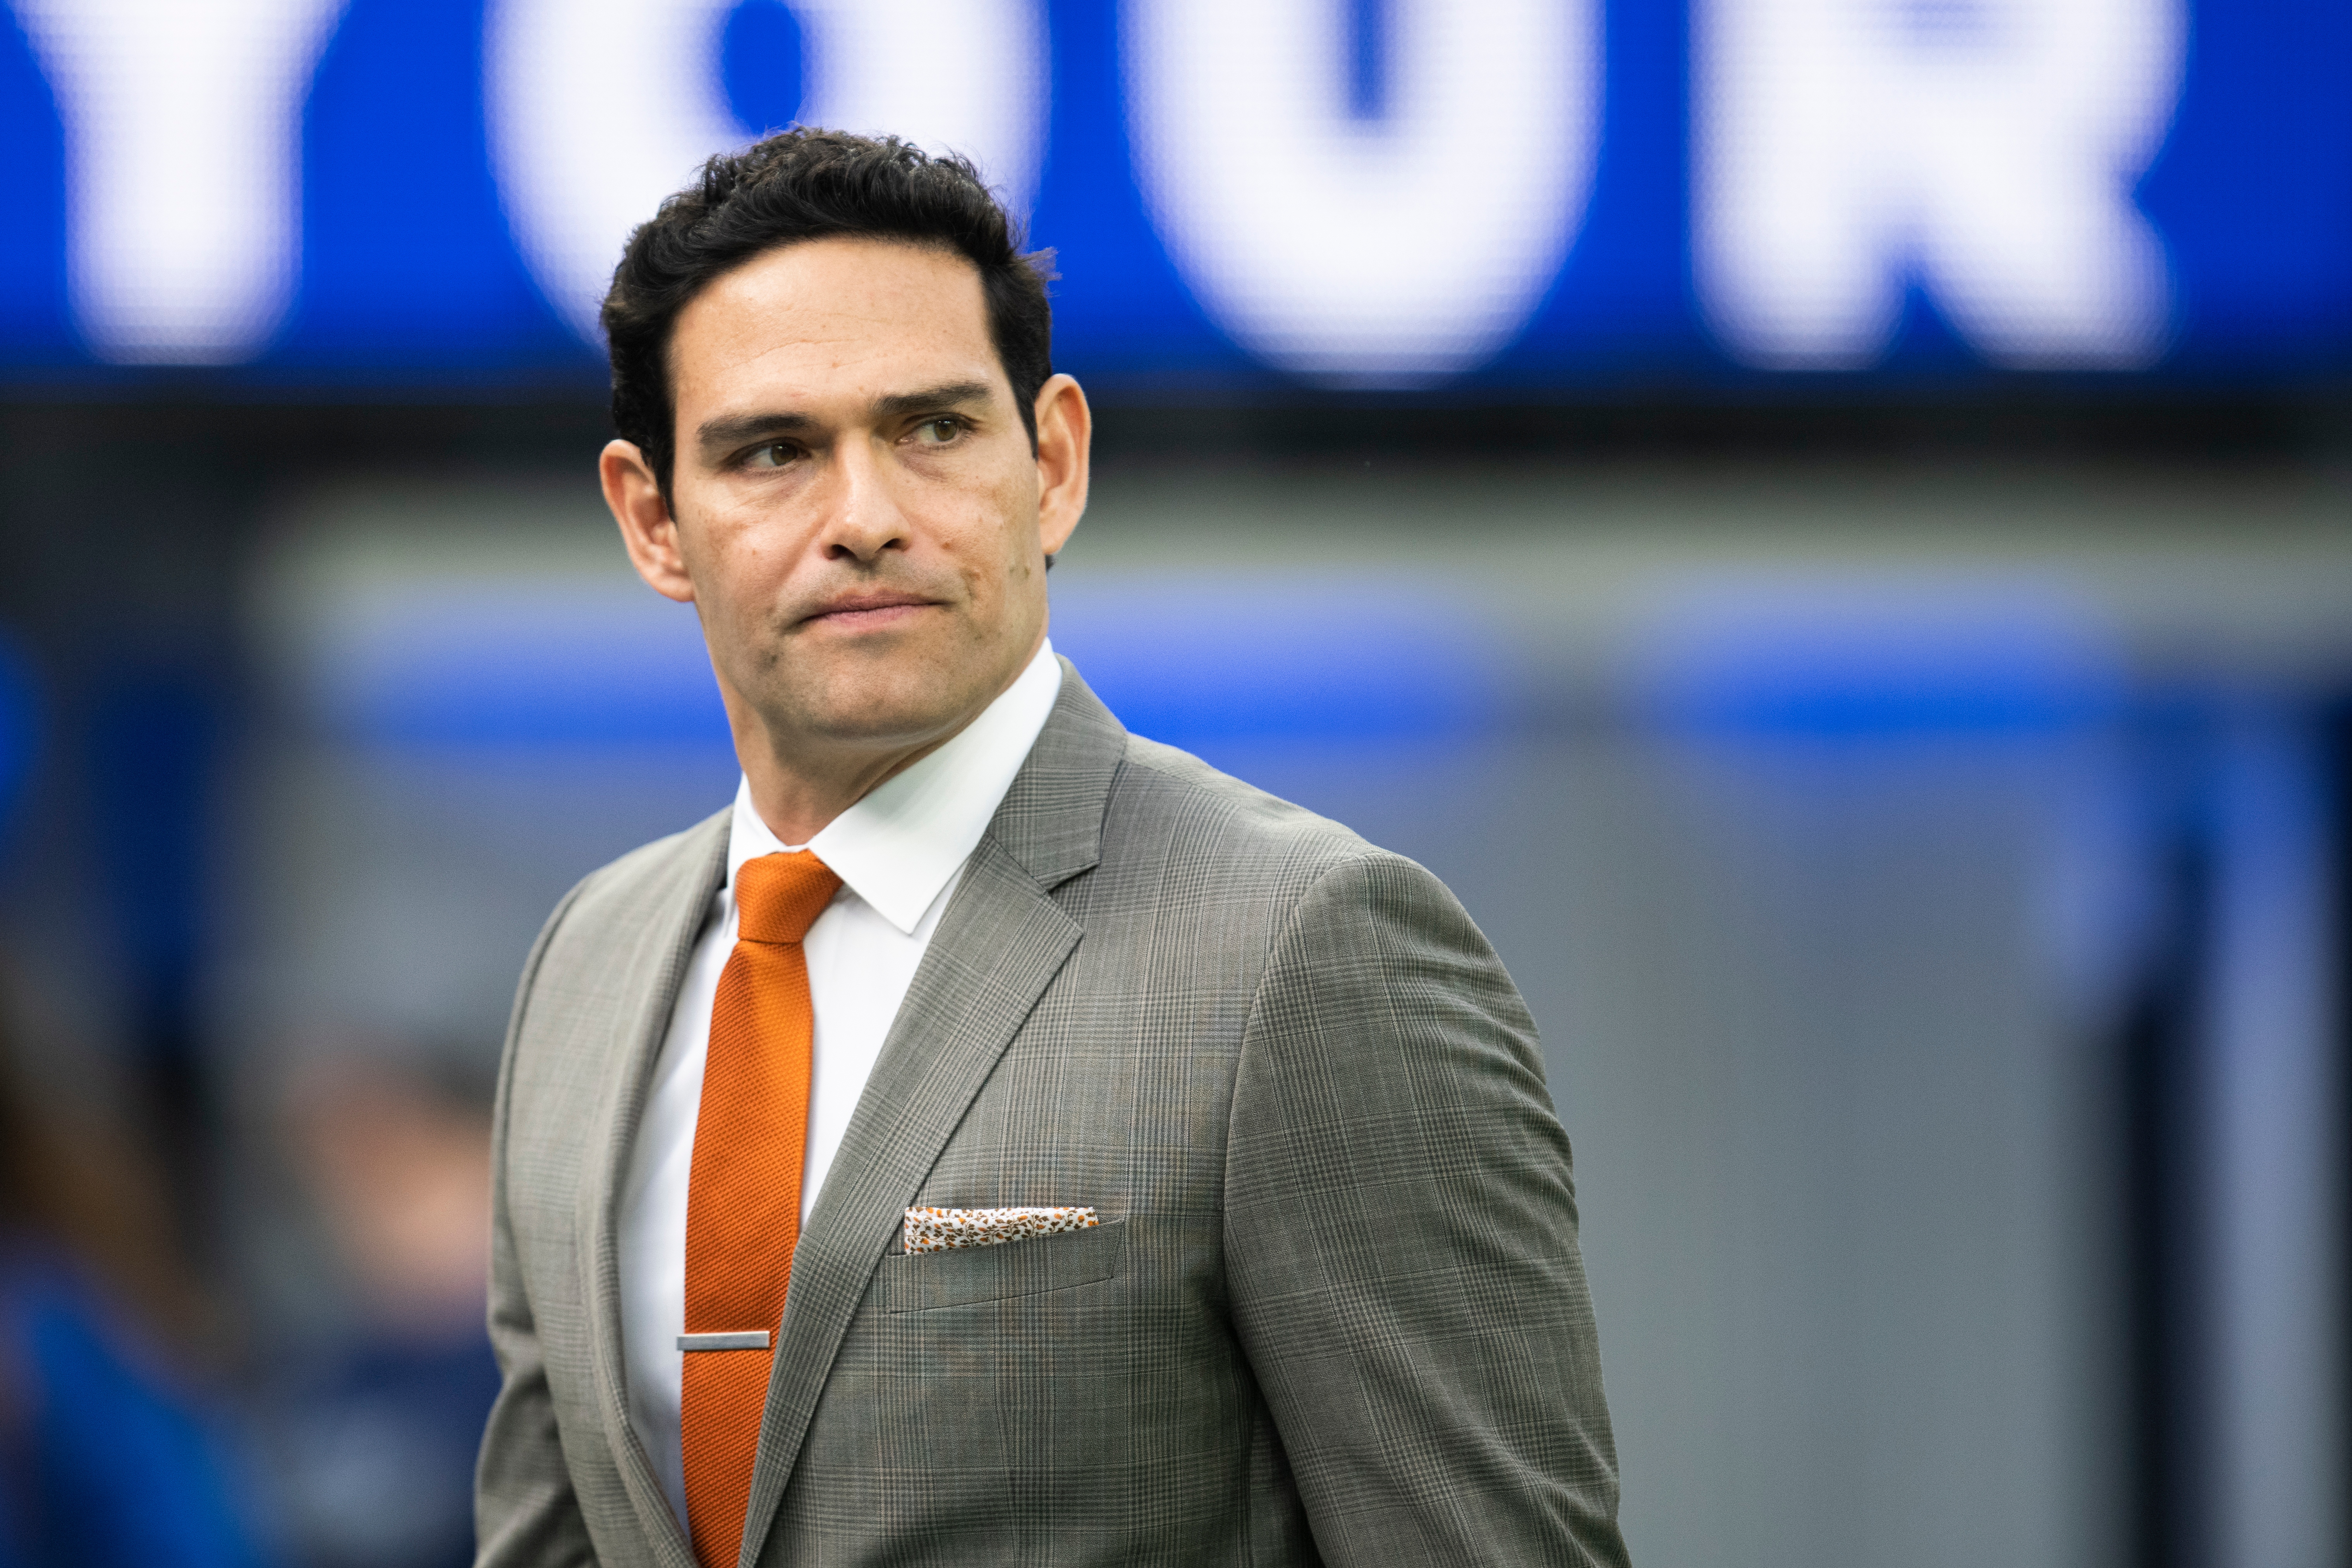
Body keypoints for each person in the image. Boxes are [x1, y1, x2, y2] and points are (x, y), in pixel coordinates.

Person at [474, 128, 1629, 1568]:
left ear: (1055, 461)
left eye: (933, 429)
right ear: (653, 521)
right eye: (774, 451)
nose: (865, 519)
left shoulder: (1302, 947)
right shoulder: (588, 966)